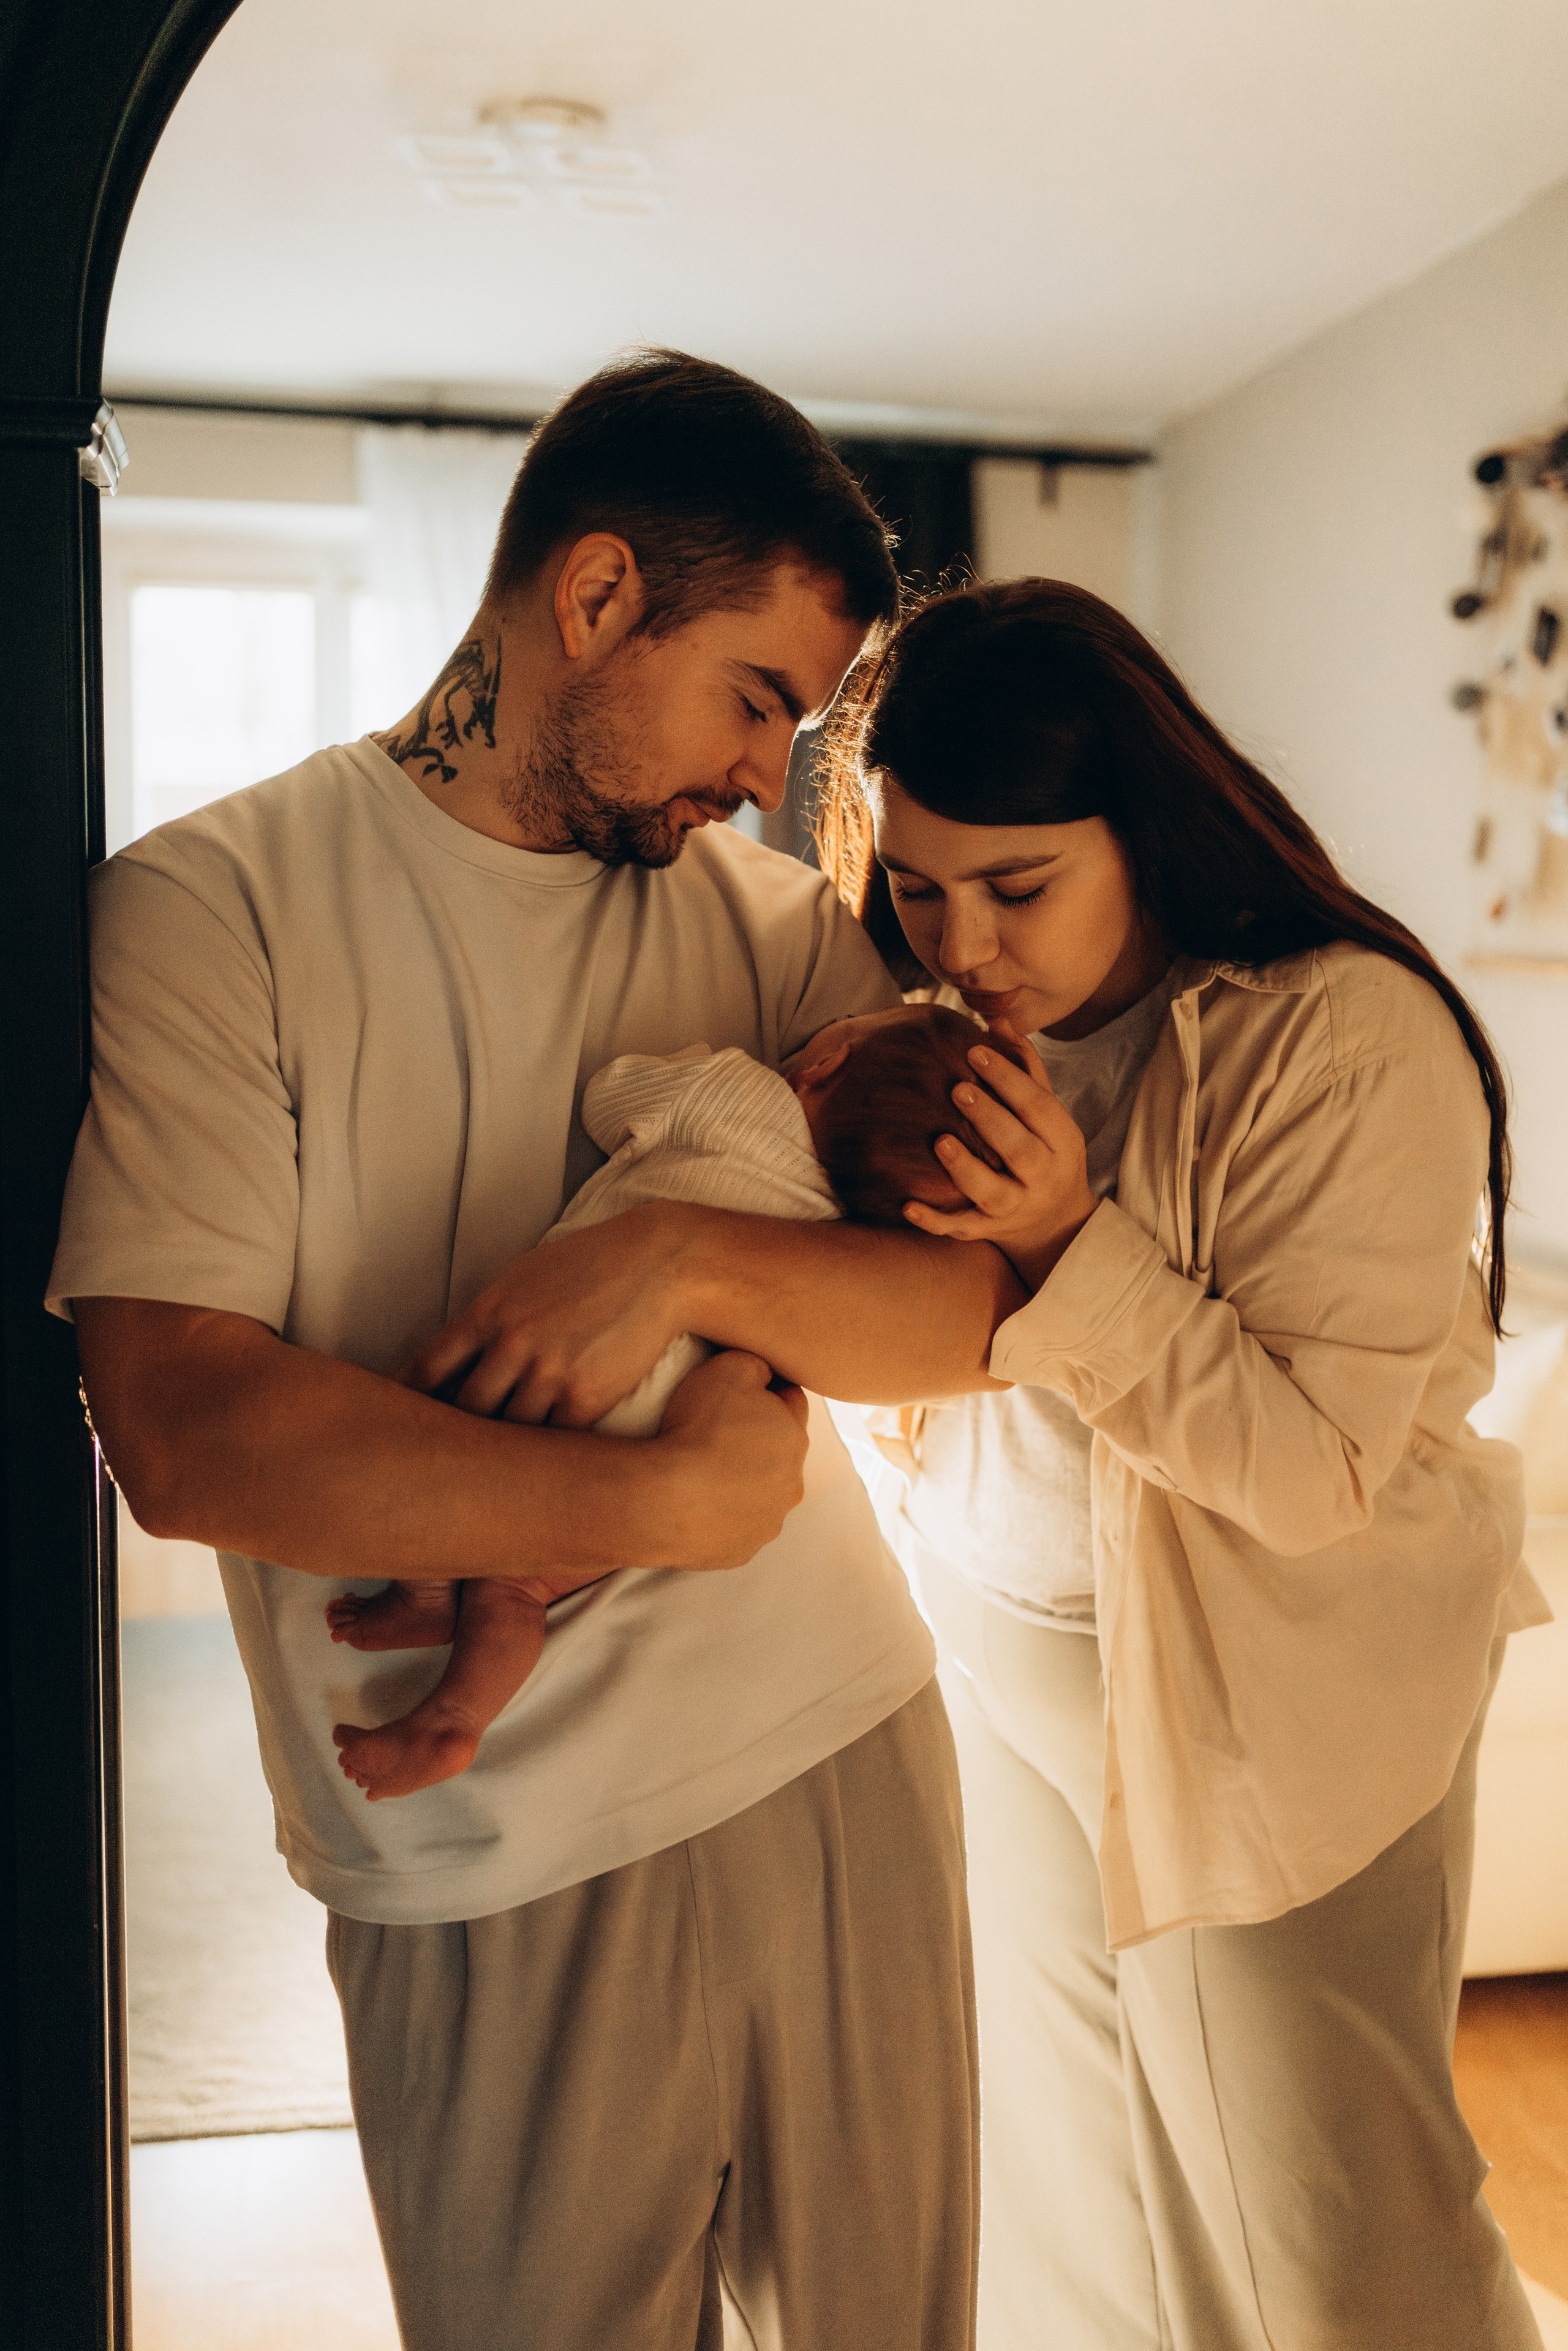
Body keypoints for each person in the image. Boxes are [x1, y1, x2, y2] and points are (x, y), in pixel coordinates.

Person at [50, 353, 1025, 2351]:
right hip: (475, 1835)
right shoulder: (207, 905)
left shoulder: (760, 925)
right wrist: (657, 1497)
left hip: (833, 1734)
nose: (771, 777)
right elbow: (183, 1422)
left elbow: (973, 1304)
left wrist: (671, 1258)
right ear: (593, 601)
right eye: (758, 696)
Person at [812, 579, 1550, 2351]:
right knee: (1073, 2209)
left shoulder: (1344, 1034)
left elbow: (1311, 1475)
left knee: (1330, 2222)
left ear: (1139, 825)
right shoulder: (934, 1030)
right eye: (917, 885)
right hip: (1002, 1654)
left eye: (1017, 887)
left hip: (1260, 1697)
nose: (963, 941)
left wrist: (1075, 1242)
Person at [330, 1003, 997, 1803]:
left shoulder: (733, 1090)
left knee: (431, 1418)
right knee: (517, 1588)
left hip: (551, 1355)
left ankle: (422, 1591)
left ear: (823, 1064)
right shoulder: (843, 1229)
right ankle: (455, 1715)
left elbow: (611, 1099)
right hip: (663, 1419)